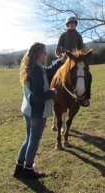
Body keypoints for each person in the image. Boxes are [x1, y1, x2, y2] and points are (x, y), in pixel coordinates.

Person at [13, 42, 67, 179]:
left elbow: (47, 70)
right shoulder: (36, 71)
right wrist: (52, 92)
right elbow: (38, 97)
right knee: (33, 141)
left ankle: (19, 168)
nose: (46, 54)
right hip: (36, 112)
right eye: (44, 52)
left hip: (28, 109)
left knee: (28, 139)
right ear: (38, 54)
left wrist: (60, 61)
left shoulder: (35, 67)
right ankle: (29, 170)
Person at [55, 16, 92, 107]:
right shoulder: (63, 35)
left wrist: (80, 58)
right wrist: (61, 57)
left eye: (73, 23)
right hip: (64, 60)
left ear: (75, 25)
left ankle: (85, 97)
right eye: (70, 23)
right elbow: (57, 50)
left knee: (89, 76)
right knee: (51, 73)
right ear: (67, 25)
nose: (72, 24)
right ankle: (50, 95)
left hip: (75, 62)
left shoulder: (78, 36)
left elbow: (82, 50)